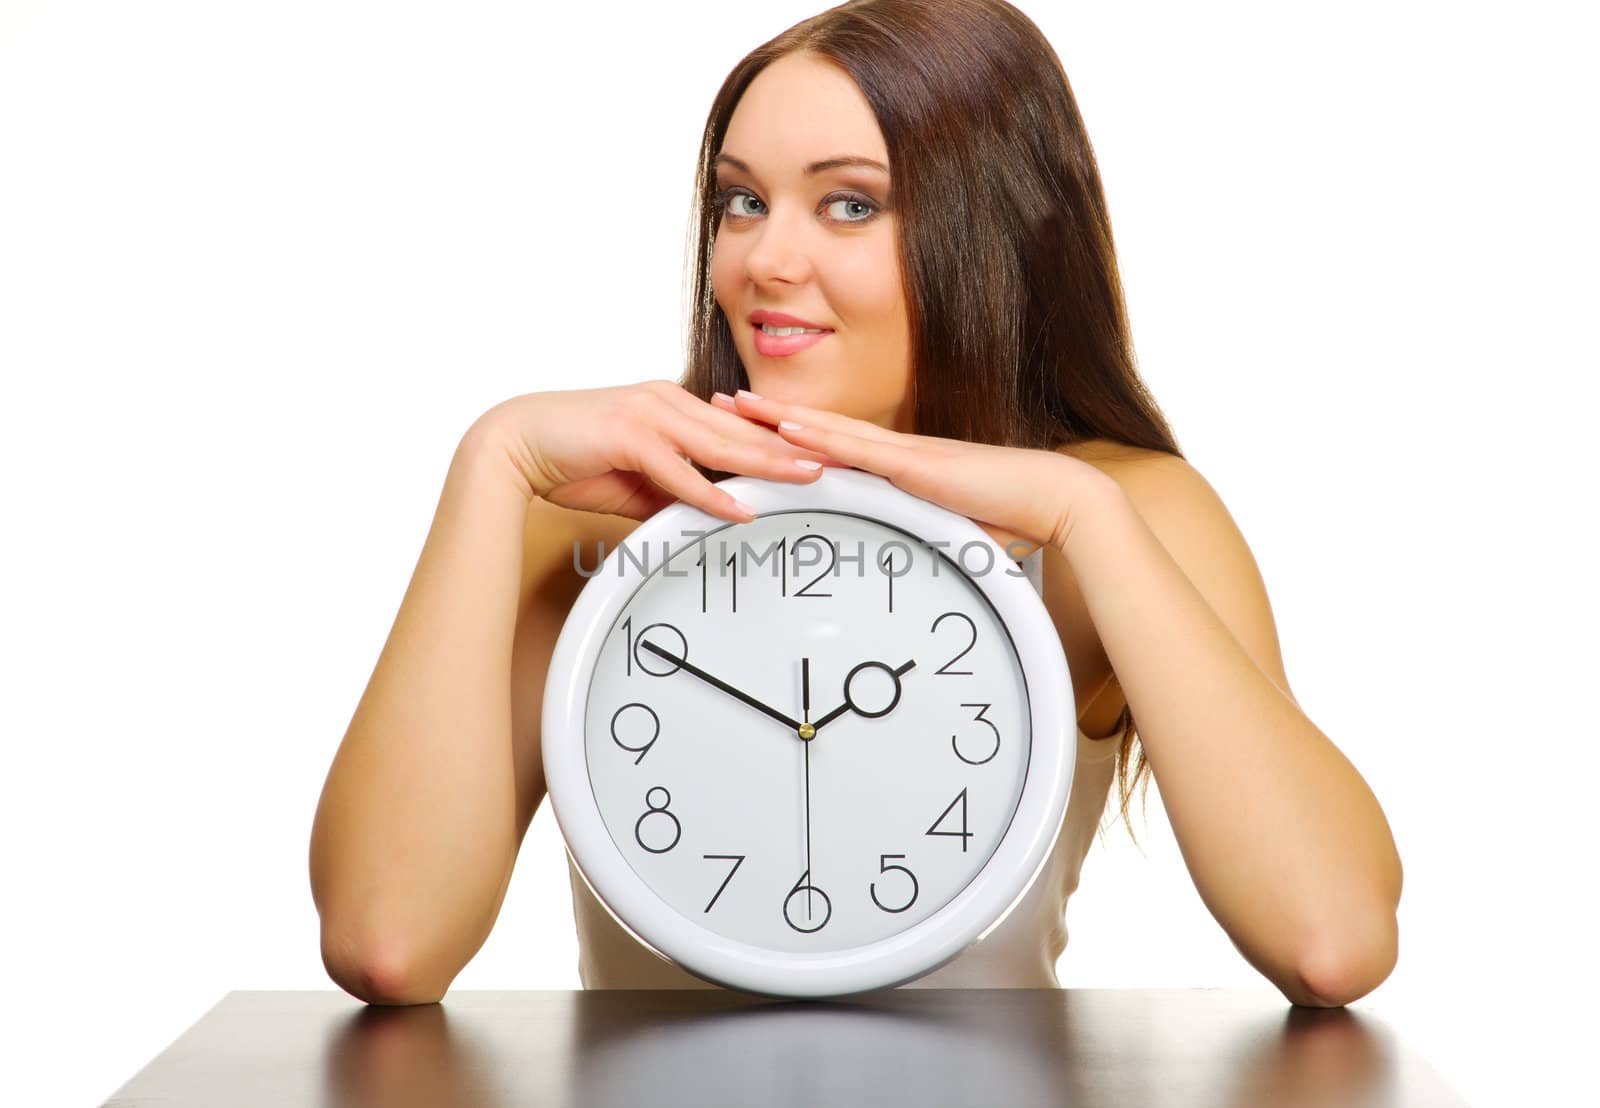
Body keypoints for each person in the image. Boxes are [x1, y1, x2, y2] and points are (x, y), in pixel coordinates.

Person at [309, 0, 1402, 1008]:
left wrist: (1084, 517)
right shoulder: (597, 521)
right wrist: (491, 464)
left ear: (993, 232)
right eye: (743, 200)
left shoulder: (1125, 513)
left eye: (848, 204)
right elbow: (387, 938)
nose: (763, 260)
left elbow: (1331, 938)